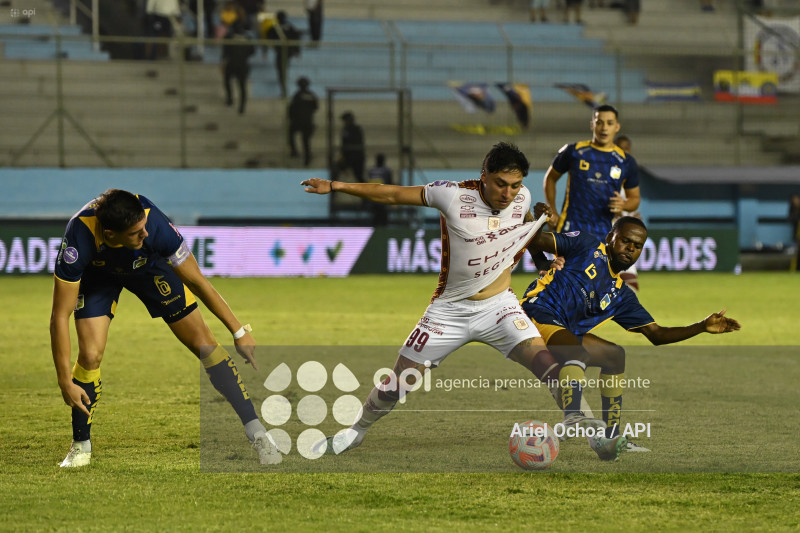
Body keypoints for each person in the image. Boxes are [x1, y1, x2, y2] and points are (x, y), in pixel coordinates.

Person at [302, 142, 628, 461]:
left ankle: (588, 430)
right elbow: (390, 193)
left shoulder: (523, 198)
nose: (508, 193)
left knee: (550, 367)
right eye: (500, 184)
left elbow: (524, 231)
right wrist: (335, 186)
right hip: (449, 311)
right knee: (398, 384)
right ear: (483, 175)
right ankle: (355, 431)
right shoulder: (453, 195)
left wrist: (543, 261)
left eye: (515, 185)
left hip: (500, 307)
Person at [51, 189, 281, 467]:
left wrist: (238, 332)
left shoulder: (154, 225)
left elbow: (199, 283)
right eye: (136, 233)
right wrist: (65, 381)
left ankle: (257, 433)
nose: (144, 234)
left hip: (149, 267)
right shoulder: (79, 236)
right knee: (90, 355)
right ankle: (81, 446)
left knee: (205, 344)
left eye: (143, 228)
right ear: (110, 234)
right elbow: (58, 317)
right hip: (98, 275)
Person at [521, 206, 741, 451]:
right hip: (537, 309)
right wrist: (540, 218)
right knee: (577, 353)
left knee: (615, 356)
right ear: (610, 238)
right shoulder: (586, 245)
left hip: (563, 329)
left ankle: (611, 439)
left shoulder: (622, 295)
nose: (630, 248)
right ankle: (573, 416)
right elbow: (536, 239)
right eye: (625, 241)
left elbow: (656, 335)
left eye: (637, 246)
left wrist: (701, 326)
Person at [544, 105, 640, 240]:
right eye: (599, 122)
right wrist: (552, 209)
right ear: (592, 125)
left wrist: (623, 204)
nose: (604, 128)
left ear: (617, 127)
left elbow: (635, 199)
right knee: (560, 262)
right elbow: (551, 178)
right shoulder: (574, 151)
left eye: (609, 123)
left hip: (604, 233)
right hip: (570, 229)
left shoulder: (626, 161)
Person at [612, 133, 640, 291]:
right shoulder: (609, 175)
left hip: (625, 234)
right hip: (610, 234)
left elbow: (631, 203)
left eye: (627, 149)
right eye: (620, 149)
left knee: (630, 287)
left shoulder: (629, 176)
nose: (624, 152)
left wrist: (632, 218)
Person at [266, 10, 301, 98]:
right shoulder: (290, 26)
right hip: (288, 52)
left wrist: (274, 46)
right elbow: (296, 38)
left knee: (280, 70)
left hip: (280, 52)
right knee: (283, 69)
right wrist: (297, 50)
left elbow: (268, 37)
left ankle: (284, 89)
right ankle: (283, 86)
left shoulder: (274, 28)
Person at [221, 22, 255, 114]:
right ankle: (242, 107)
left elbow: (225, 51)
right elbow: (252, 51)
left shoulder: (229, 37)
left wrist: (223, 61)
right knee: (242, 86)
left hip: (232, 63)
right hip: (243, 64)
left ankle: (230, 99)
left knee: (227, 81)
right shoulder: (247, 38)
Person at [288, 76, 319, 166]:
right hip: (308, 121)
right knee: (306, 141)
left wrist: (291, 117)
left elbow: (292, 108)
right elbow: (316, 107)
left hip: (298, 121)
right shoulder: (311, 95)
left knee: (291, 133)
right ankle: (307, 157)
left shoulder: (297, 95)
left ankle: (294, 151)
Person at [336, 111, 365, 182]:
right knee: (336, 169)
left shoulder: (354, 129)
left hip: (355, 156)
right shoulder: (347, 129)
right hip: (350, 156)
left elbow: (354, 143)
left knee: (359, 176)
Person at [366, 153, 393, 226]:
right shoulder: (386, 171)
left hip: (374, 198)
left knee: (375, 219)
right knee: (383, 220)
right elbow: (390, 184)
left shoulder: (371, 171)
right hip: (382, 198)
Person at [790, 194, 800, 271]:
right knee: (796, 253)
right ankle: (794, 269)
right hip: (797, 235)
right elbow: (791, 219)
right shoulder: (793, 210)